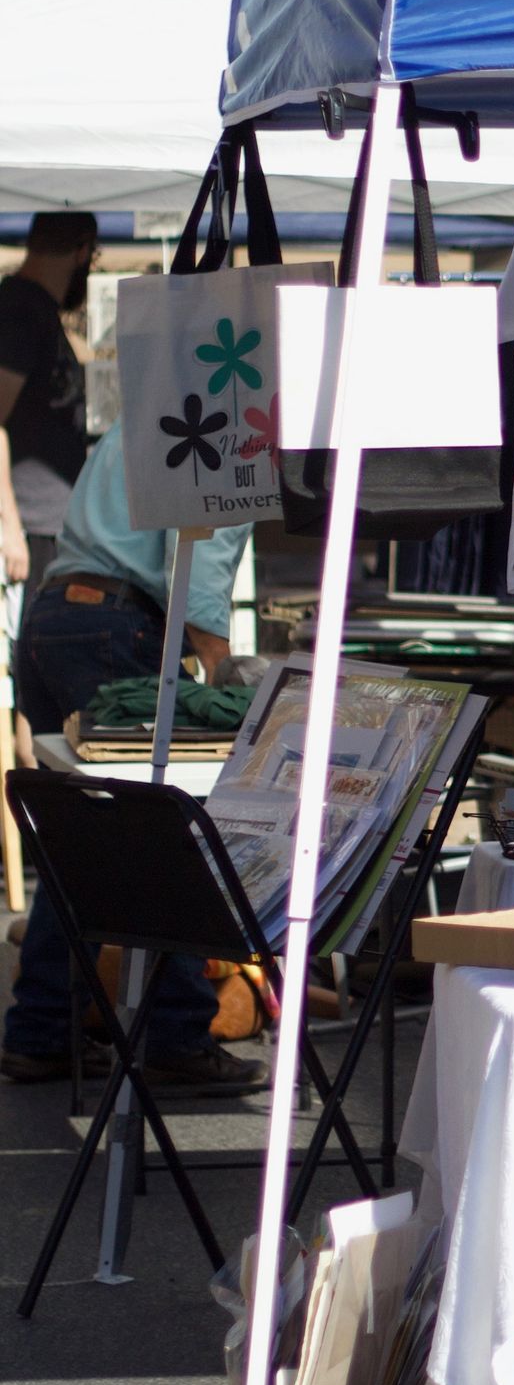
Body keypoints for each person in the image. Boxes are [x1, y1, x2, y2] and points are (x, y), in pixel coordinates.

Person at [1, 421, 262, 1091]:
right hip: (114, 621)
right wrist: (224, 675)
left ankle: (42, 1031)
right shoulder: (235, 423)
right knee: (160, 830)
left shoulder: (153, 403)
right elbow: (200, 561)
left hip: (56, 616)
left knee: (85, 839)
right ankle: (173, 1032)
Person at [0, 211, 98, 611]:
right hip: (31, 528)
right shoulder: (19, 310)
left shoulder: (35, 308)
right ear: (82, 251)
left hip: (50, 523)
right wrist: (10, 529)